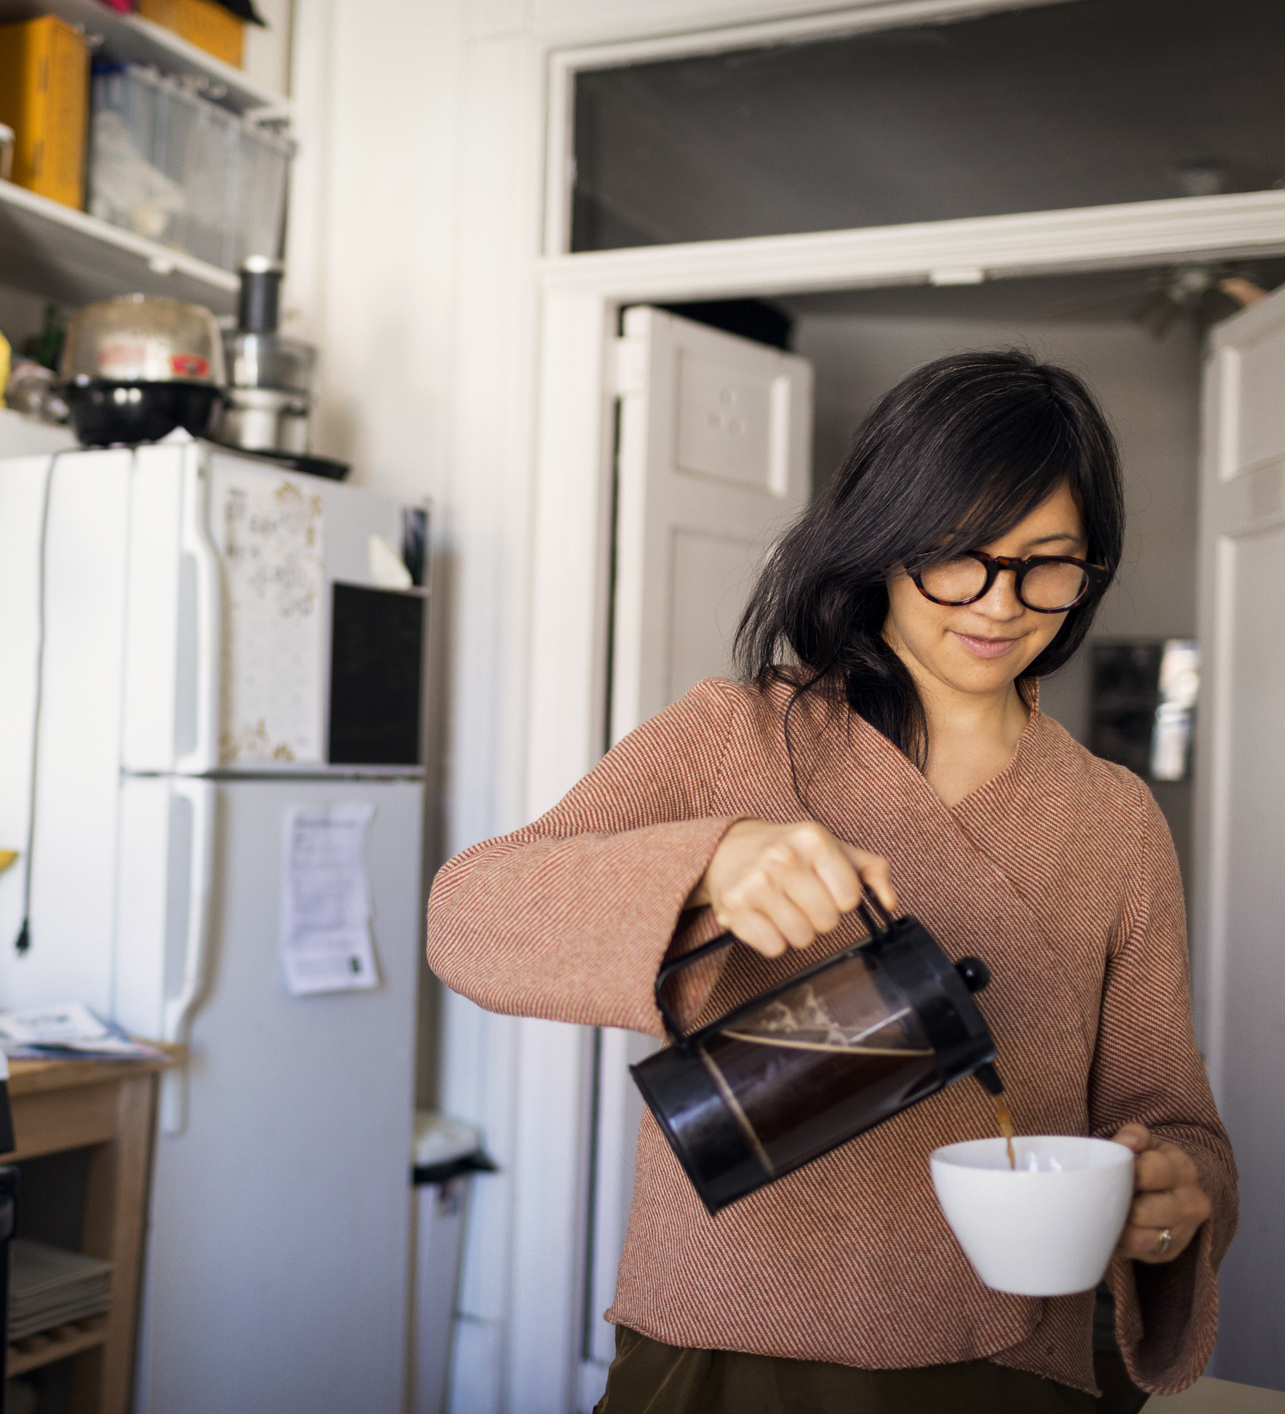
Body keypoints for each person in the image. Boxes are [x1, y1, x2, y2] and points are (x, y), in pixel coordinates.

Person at [428, 350, 1234, 1412]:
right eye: (960, 557)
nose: (1002, 603)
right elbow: (467, 916)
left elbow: (1170, 1121)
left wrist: (1176, 1194)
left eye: (1049, 562)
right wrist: (709, 864)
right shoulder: (740, 736)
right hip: (732, 1346)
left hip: (1010, 1363)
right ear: (885, 546)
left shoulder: (1115, 818)